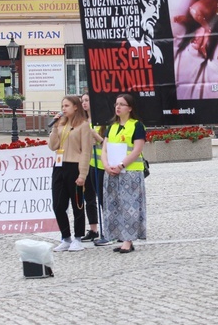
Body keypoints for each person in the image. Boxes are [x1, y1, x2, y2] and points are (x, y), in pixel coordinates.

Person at [101, 93, 147, 254]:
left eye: (122, 104)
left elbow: (137, 149)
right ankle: (120, 237)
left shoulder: (137, 126)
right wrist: (106, 165)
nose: (118, 107)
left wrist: (121, 165)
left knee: (130, 205)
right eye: (116, 104)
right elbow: (104, 149)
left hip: (130, 172)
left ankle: (129, 240)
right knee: (115, 205)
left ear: (130, 108)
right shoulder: (111, 127)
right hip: (112, 172)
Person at [49, 96, 92, 252]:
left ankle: (78, 238)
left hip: (75, 166)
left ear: (75, 107)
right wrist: (54, 127)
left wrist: (82, 174)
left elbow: (86, 151)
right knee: (58, 204)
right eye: (62, 105)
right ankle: (65, 237)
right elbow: (52, 146)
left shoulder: (83, 125)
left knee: (77, 204)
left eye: (66, 105)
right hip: (59, 166)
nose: (63, 108)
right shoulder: (61, 124)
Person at [81, 93, 110, 245]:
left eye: (87, 100)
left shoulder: (103, 122)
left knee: (103, 198)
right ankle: (93, 229)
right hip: (88, 163)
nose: (84, 103)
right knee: (89, 198)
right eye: (83, 101)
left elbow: (108, 144)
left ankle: (110, 228)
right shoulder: (83, 121)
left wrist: (95, 136)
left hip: (101, 163)